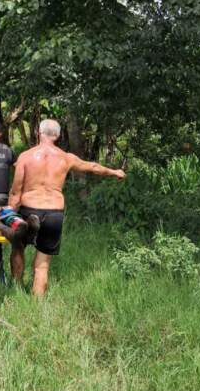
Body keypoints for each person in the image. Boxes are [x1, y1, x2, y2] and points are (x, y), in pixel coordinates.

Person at [8, 118, 126, 297]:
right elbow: (92, 167)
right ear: (57, 135)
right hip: (54, 212)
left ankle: (16, 289)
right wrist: (114, 171)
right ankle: (36, 304)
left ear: (38, 133)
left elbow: (16, 192)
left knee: (17, 248)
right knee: (42, 264)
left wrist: (8, 213)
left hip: (29, 208)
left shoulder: (25, 156)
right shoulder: (66, 158)